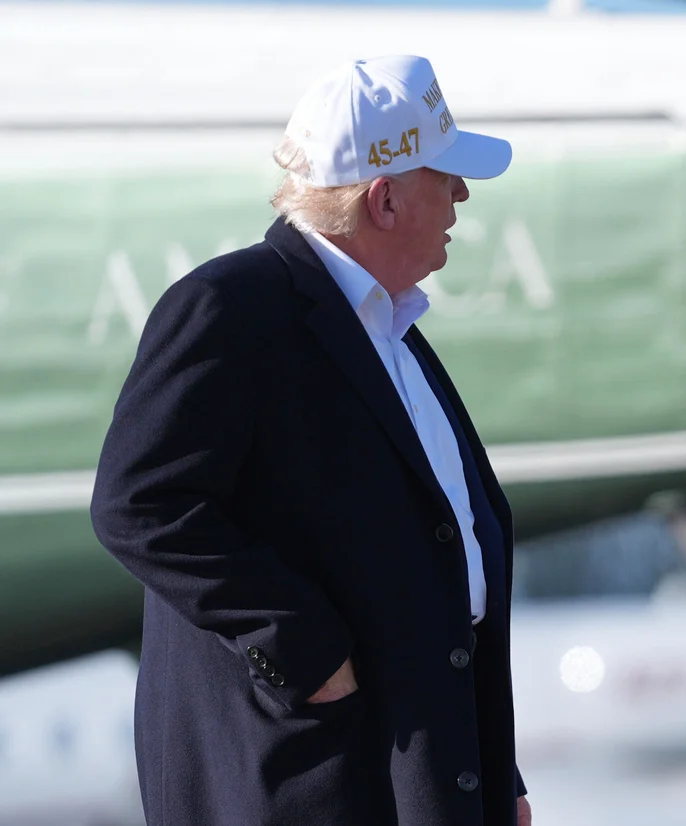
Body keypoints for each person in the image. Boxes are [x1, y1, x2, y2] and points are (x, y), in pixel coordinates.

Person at [91, 55, 532, 826]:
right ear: (385, 199)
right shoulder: (231, 308)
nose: (462, 196)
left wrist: (497, 774)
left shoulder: (391, 333)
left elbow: (446, 564)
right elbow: (141, 506)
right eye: (446, 176)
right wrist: (308, 653)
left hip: (418, 779)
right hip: (308, 781)